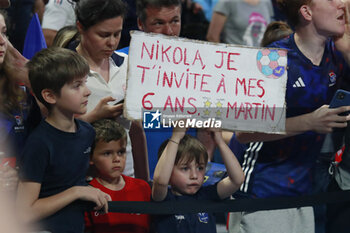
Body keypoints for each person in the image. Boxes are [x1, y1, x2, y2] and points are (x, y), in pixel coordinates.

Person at [228, 0, 350, 232]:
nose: (341, 3)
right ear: (306, 12)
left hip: (308, 191)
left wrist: (345, 45)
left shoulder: (336, 54)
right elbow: (244, 132)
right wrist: (310, 121)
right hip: (264, 190)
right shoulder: (272, 58)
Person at [16, 47, 111, 233]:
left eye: (85, 83)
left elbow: (75, 178)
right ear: (49, 96)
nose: (87, 91)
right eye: (77, 86)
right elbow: (24, 212)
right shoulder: (40, 143)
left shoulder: (87, 132)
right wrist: (76, 191)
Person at [71, 0, 149, 181]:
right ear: (81, 27)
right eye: (103, 35)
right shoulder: (63, 70)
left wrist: (143, 183)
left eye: (117, 33)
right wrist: (94, 117)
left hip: (126, 178)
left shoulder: (129, 65)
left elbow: (137, 130)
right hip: (82, 181)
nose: (112, 42)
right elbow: (56, 131)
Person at [152, 124, 244, 233]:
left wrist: (219, 142)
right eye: (185, 168)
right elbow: (160, 181)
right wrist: (175, 137)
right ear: (168, 171)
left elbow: (237, 180)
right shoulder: (163, 198)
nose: (194, 175)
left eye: (200, 168)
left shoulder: (207, 195)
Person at [85, 119, 151, 233]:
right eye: (107, 153)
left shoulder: (142, 187)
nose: (116, 159)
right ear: (91, 158)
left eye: (121, 152)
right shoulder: (88, 193)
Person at [206, 0, 274, 47]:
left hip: (260, 60)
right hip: (234, 60)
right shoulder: (227, 2)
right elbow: (212, 37)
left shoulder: (266, 2)